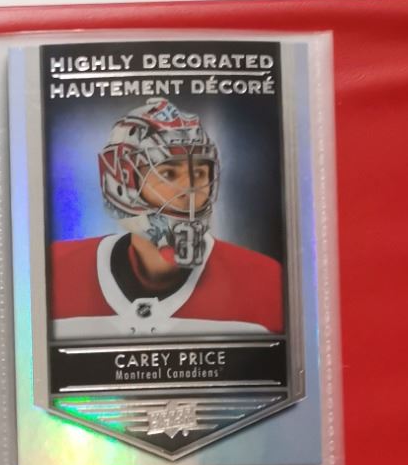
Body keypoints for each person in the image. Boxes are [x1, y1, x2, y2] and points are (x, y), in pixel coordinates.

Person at [49, 98, 282, 337]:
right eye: (168, 173)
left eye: (199, 173)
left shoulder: (266, 282)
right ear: (122, 181)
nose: (190, 190)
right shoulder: (54, 271)